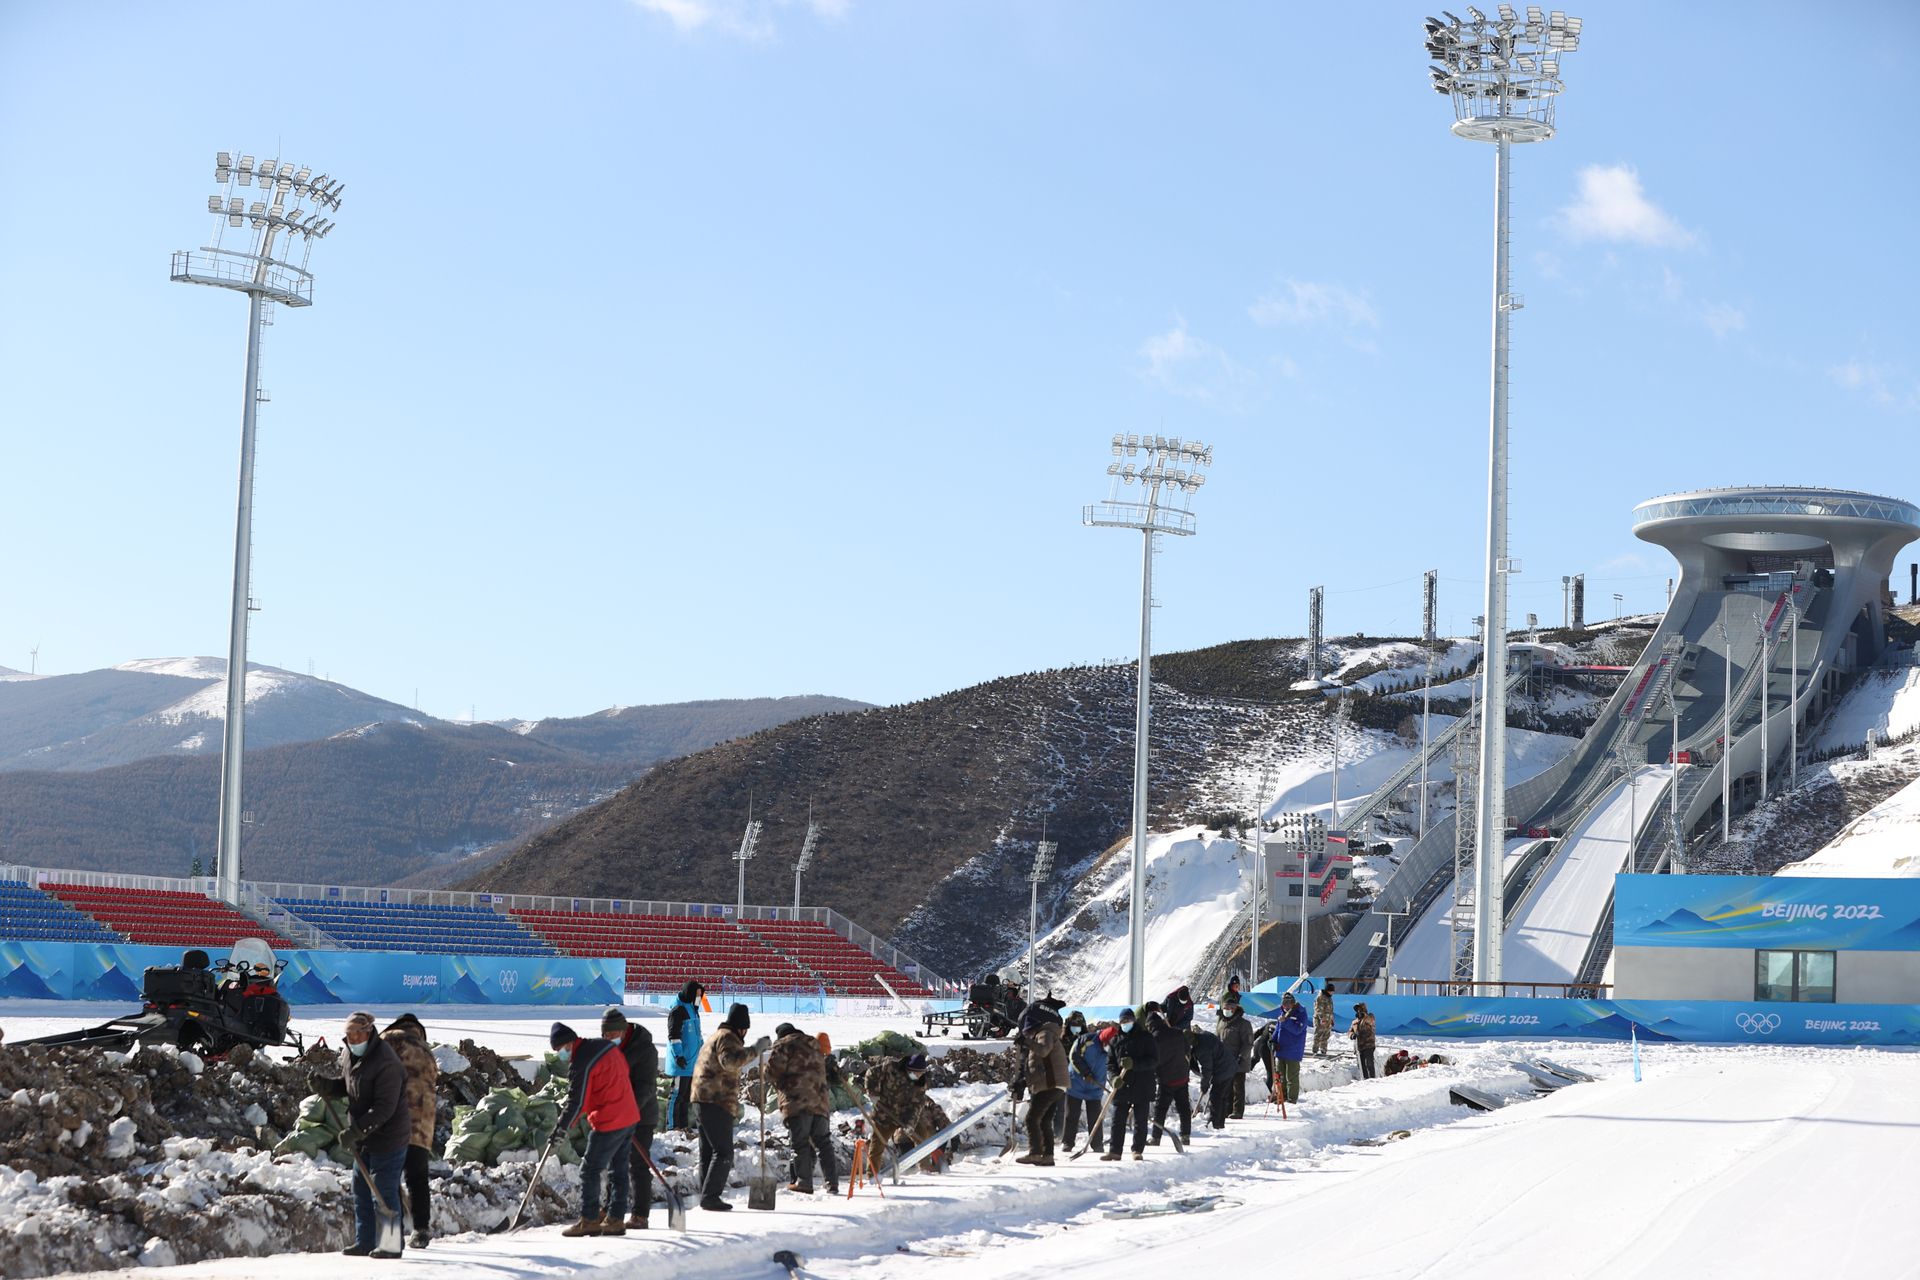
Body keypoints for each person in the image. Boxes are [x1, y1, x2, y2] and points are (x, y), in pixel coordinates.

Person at [551, 1021, 641, 1236]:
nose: (560, 1054)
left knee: (589, 1169)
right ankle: (616, 1219)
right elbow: (621, 1074)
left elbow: (577, 1101)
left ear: (569, 1044)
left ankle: (589, 1220)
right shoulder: (606, 1046)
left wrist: (561, 1128)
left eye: (560, 1049)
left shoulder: (582, 1061)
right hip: (628, 1114)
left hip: (609, 1120)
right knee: (618, 1170)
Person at [339, 1010, 410, 1259]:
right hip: (365, 1137)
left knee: (384, 1191)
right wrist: (329, 1086)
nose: (354, 1039)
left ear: (370, 1033)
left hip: (389, 1136)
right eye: (350, 1035)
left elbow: (384, 1108)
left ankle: (391, 1245)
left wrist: (356, 1131)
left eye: (359, 1034)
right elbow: (351, 1082)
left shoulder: (386, 1062)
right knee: (360, 1188)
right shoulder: (350, 1054)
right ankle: (365, 1241)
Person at [690, 1003, 767, 1211]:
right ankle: (711, 1196)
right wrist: (755, 1050)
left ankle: (706, 1195)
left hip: (700, 1099)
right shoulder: (727, 1038)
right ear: (742, 1028)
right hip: (716, 1100)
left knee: (708, 1152)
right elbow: (730, 1062)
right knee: (723, 1153)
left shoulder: (716, 1036)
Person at [378, 1013, 438, 1250]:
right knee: (417, 1177)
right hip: (423, 1123)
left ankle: (390, 1237)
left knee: (386, 1175)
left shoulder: (389, 1039)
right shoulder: (427, 1051)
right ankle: (421, 1231)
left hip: (394, 1118)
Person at [603, 1007, 661, 1229]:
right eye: (604, 1035)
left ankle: (640, 1214)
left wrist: (628, 1112)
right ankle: (610, 1209)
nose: (607, 1039)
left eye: (611, 1035)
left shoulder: (645, 1050)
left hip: (641, 1115)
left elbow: (645, 1088)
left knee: (637, 1164)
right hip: (616, 1114)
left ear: (623, 1031)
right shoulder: (609, 1049)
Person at [766, 1022, 837, 1194]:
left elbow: (771, 1073)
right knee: (823, 1143)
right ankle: (832, 1183)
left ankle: (804, 1182)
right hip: (820, 1102)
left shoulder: (783, 1045)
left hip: (797, 1102)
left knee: (800, 1144)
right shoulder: (814, 1045)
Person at [1011, 996, 1068, 1165]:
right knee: (1044, 1120)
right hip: (1054, 1084)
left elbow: (1044, 1051)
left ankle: (1035, 1152)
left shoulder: (1044, 1034)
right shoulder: (1044, 1035)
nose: (1027, 1036)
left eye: (1028, 1033)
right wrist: (1022, 1082)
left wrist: (1026, 1042)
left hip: (1051, 1084)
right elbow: (1037, 1069)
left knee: (1031, 1118)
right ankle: (1048, 1156)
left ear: (1032, 1030)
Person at [1101, 1008, 1158, 1162]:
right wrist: (1113, 1078)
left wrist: (1135, 1064)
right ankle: (1115, 1151)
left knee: (1140, 1121)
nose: (1126, 1023)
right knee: (1117, 1120)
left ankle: (1137, 1150)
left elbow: (1153, 1061)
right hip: (1122, 1086)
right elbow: (1110, 1064)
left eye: (1128, 1020)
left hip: (1142, 1085)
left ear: (1134, 1021)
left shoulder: (1146, 1038)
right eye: (1123, 1021)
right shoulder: (1115, 1041)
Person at [863, 1052, 932, 1177]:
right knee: (877, 1145)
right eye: (916, 1073)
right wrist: (872, 1093)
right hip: (885, 1114)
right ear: (909, 1069)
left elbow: (917, 1106)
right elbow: (870, 1073)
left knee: (922, 1136)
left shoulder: (920, 1084)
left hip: (905, 1116)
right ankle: (872, 1176)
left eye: (920, 1073)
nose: (917, 1076)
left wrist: (910, 1124)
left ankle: (925, 1170)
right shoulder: (891, 1068)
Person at [1062, 1018, 1107, 1153]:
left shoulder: (1112, 1048)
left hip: (1095, 1087)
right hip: (1076, 1082)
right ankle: (1067, 1143)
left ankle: (1097, 1144)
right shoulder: (1087, 1041)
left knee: (1096, 1117)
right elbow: (1073, 1056)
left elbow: (1113, 1066)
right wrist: (1085, 1073)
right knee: (1072, 1115)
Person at [1146, 1008, 1190, 1146]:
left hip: (1167, 1080)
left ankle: (1156, 1137)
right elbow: (1187, 1050)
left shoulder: (1154, 1039)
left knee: (1160, 1109)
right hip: (1182, 1076)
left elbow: (1152, 1061)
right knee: (1183, 1107)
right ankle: (1185, 1135)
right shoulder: (1178, 1032)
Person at [666, 981, 705, 1134]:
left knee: (686, 1095)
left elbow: (697, 1032)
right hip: (681, 1061)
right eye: (696, 994)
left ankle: (682, 1125)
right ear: (689, 993)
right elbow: (674, 1035)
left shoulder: (692, 1008)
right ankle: (672, 1125)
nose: (698, 997)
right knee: (676, 1094)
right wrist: (679, 1056)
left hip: (692, 1061)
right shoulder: (678, 1010)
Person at [1190, 1027, 1236, 1130]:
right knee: (1222, 1096)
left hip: (1223, 1068)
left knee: (1216, 1097)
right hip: (1228, 1065)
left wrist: (1204, 1084)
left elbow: (1207, 1068)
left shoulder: (1202, 1049)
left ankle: (1214, 1124)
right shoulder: (1203, 1036)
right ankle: (1219, 1124)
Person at [1217, 1002, 1254, 1119]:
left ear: (1235, 1009)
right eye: (1225, 1008)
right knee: (1227, 1086)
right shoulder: (1222, 1022)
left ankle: (1237, 1111)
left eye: (1230, 1008)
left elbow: (1248, 1044)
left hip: (1238, 1061)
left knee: (1237, 1087)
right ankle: (1227, 1109)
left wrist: (1241, 1057)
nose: (1227, 1010)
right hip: (1225, 1060)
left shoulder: (1243, 1024)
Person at [1270, 992, 1308, 1105]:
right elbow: (1278, 1028)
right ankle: (1282, 1096)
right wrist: (1273, 1039)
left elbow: (1298, 1030)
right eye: (1284, 1003)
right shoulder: (1282, 1013)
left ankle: (1292, 1099)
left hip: (1293, 1049)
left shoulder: (1300, 1013)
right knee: (1280, 1076)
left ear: (1293, 1003)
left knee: (1291, 1076)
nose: (1285, 1006)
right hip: (1281, 1049)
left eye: (1288, 1003)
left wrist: (1285, 1021)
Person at [1348, 1002, 1378, 1080]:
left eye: (1360, 1009)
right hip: (1359, 1046)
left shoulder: (1370, 1017)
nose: (1359, 1011)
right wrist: (1351, 1035)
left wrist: (1364, 1015)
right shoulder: (1354, 1022)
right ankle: (1365, 1080)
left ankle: (1372, 1079)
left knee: (1369, 1064)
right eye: (1357, 1009)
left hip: (1368, 1044)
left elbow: (1371, 1021)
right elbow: (1349, 1031)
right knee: (1362, 1066)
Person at [1312, 986, 1336, 1058]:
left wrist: (1332, 1019)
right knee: (1318, 1035)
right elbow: (1318, 1009)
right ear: (1328, 991)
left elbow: (1330, 1010)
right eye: (1331, 991)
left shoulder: (1329, 998)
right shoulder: (1321, 998)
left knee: (1326, 1035)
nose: (1332, 993)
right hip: (1320, 1020)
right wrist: (1322, 1018)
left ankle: (1323, 1050)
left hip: (1328, 1020)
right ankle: (1315, 1050)